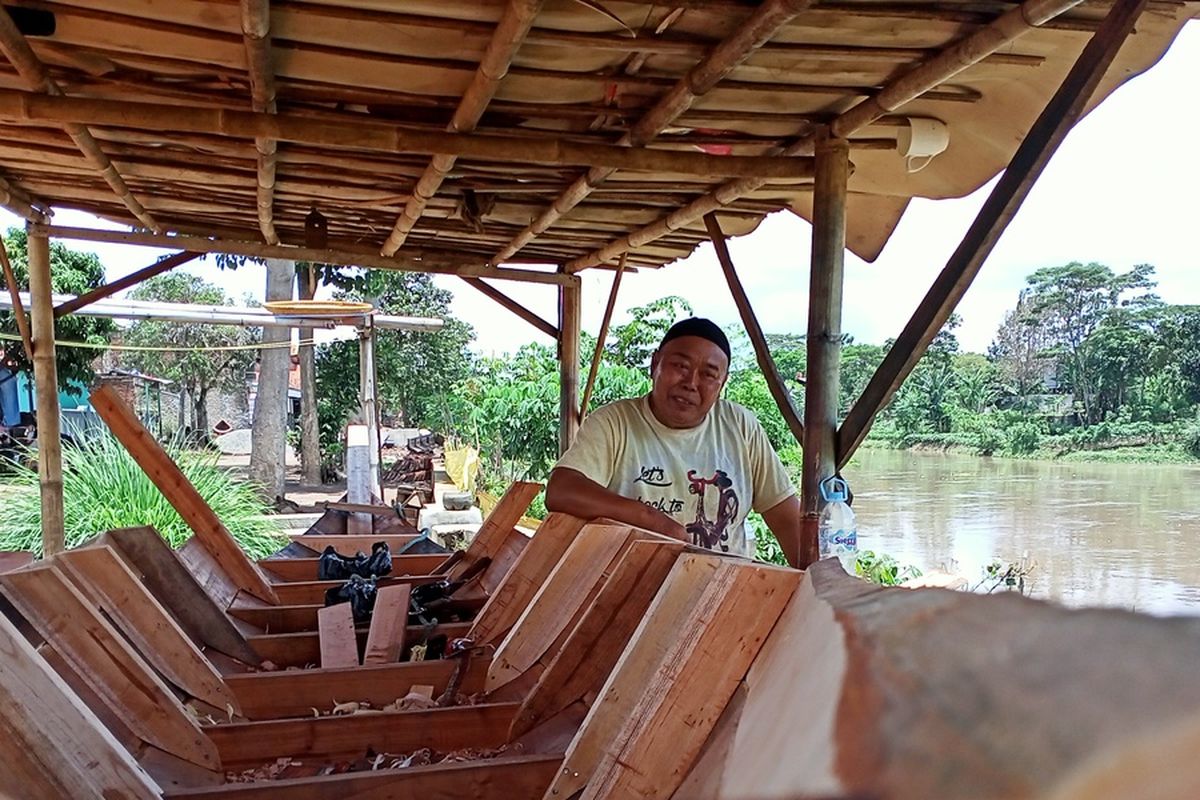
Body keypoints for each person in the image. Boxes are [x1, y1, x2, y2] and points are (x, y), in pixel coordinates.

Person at [545, 317, 801, 566]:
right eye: (680, 366)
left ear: (722, 384)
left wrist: (822, 591)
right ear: (655, 364)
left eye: (708, 375)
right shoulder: (615, 422)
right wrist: (651, 520)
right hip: (629, 589)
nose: (690, 383)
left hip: (722, 590)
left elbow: (785, 516)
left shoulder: (740, 425)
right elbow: (562, 490)